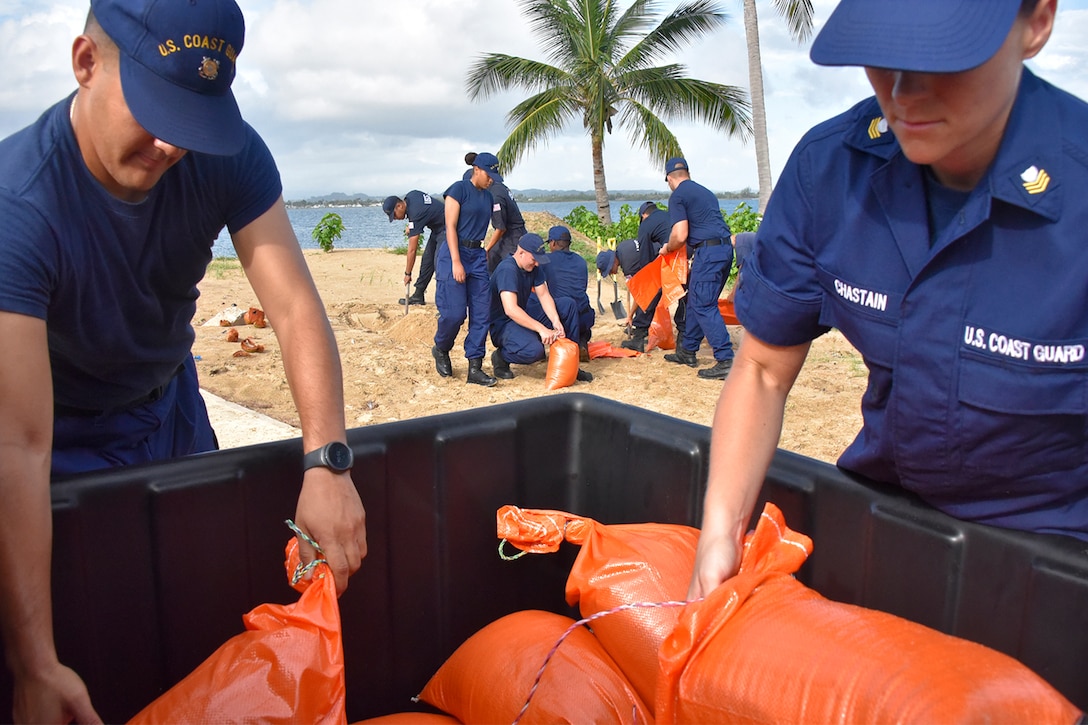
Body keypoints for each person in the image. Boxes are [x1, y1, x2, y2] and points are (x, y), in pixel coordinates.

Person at [0, 0, 367, 721]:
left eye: (192, 120)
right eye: (155, 110)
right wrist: (35, 663)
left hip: (169, 407)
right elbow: (16, 441)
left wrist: (327, 460)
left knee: (192, 614)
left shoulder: (226, 156)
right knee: (74, 631)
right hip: (56, 429)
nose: (171, 146)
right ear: (85, 64)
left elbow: (293, 306)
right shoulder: (20, 202)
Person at [689, 0, 1084, 600]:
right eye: (881, 57)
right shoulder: (833, 170)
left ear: (1035, 24)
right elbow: (764, 369)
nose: (903, 93)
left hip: (1055, 557)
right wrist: (720, 533)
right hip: (887, 524)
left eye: (943, 57)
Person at [659, 158, 735, 379]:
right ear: (687, 173)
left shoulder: (678, 195)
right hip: (724, 250)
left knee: (703, 304)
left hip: (708, 254)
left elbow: (680, 234)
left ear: (669, 179)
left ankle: (725, 358)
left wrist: (667, 248)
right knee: (696, 300)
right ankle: (687, 351)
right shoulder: (705, 192)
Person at [434, 153, 501, 386]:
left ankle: (475, 367)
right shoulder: (458, 189)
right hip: (455, 253)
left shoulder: (487, 197)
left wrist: (482, 254)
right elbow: (450, 228)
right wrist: (456, 261)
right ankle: (441, 348)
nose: (491, 180)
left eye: (494, 176)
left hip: (477, 257)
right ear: (477, 169)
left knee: (482, 314)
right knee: (454, 314)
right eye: (489, 175)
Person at [490, 234, 592, 383]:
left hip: (524, 312)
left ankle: (570, 363)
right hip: (504, 324)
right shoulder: (507, 270)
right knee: (535, 351)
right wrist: (541, 329)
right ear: (521, 253)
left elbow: (544, 295)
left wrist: (555, 321)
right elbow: (510, 309)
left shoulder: (533, 267)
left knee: (567, 305)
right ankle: (501, 357)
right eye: (534, 259)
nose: (537, 264)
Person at [532, 225, 594, 359]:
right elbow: (581, 288)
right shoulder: (581, 261)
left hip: (563, 317)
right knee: (584, 312)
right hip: (584, 316)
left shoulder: (546, 261)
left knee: (536, 303)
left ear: (553, 243)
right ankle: (582, 341)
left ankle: (541, 347)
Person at [618, 201, 671, 352]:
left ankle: (638, 338)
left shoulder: (646, 224)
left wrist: (644, 279)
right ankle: (685, 343)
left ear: (643, 215)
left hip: (670, 257)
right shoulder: (666, 216)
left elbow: (645, 258)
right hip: (684, 255)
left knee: (650, 291)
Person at [382, 191, 444, 306]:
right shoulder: (411, 196)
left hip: (449, 228)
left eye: (394, 215)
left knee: (440, 263)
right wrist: (411, 224)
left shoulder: (415, 214)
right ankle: (418, 295)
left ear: (399, 206)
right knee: (427, 261)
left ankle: (444, 304)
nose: (395, 218)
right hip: (437, 229)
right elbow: (423, 211)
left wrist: (407, 273)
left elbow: (412, 250)